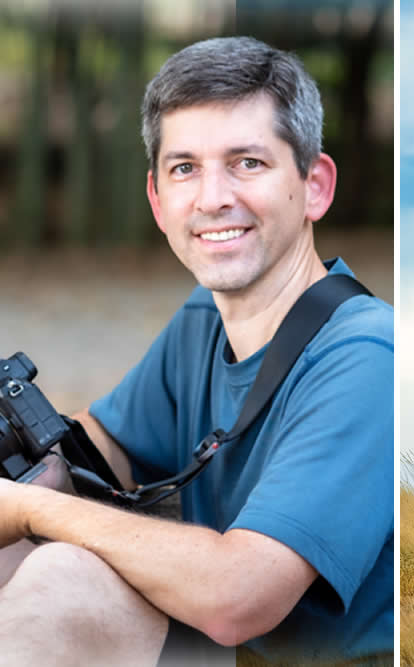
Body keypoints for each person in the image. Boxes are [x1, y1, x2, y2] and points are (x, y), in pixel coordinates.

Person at [0, 36, 393, 665]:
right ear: (158, 200)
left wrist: (26, 508)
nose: (212, 198)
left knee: (61, 584)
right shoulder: (203, 321)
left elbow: (240, 596)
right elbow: (97, 460)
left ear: (314, 186)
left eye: (247, 163)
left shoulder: (369, 357)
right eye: (186, 168)